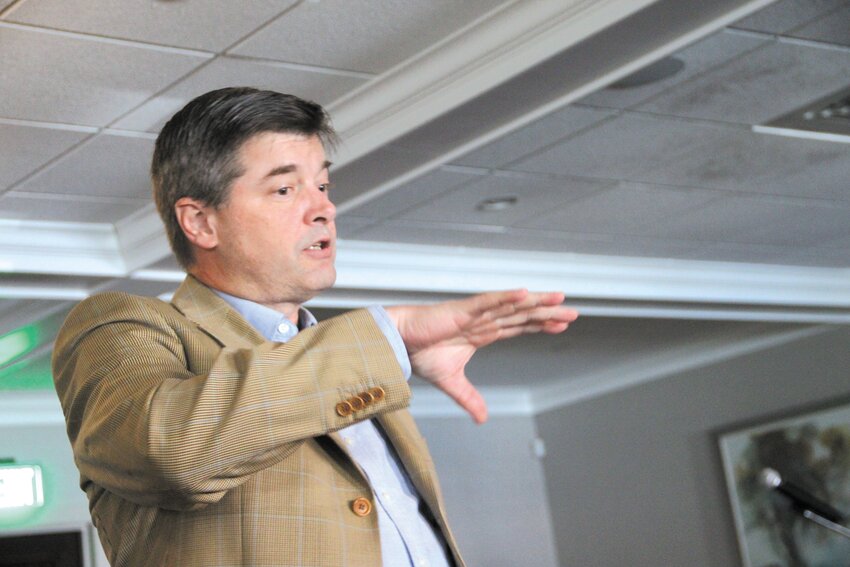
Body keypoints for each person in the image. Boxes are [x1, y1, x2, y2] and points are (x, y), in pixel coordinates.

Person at [52, 87, 578, 567]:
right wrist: (389, 336)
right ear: (200, 222)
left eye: (322, 184)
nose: (324, 208)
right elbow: (167, 452)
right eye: (284, 190)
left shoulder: (362, 371)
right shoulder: (122, 324)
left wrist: (390, 356)